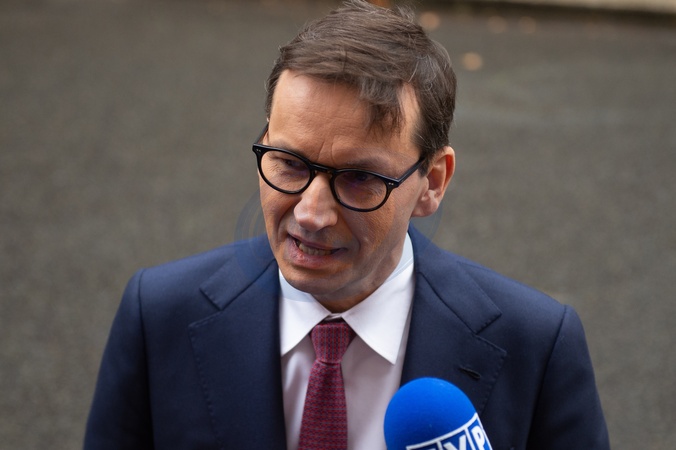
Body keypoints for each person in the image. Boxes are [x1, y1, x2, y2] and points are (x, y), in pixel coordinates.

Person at [84, 1, 610, 449]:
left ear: (432, 182)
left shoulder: (537, 348)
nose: (311, 214)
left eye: (359, 178)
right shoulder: (158, 316)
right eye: (289, 163)